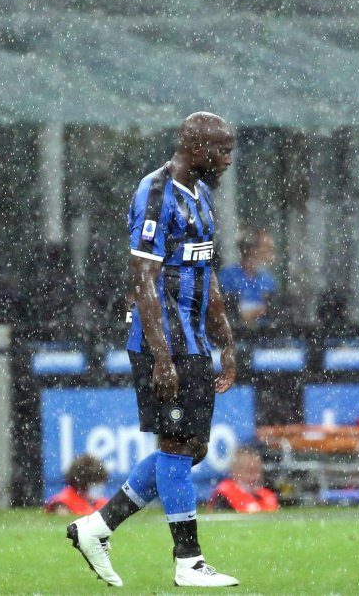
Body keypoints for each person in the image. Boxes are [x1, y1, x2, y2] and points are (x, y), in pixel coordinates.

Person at [67, 112, 240, 589]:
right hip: (161, 340)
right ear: (194, 146)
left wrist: (225, 342)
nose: (227, 160)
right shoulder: (155, 193)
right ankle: (189, 560)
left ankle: (96, 528)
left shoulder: (201, 196)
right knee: (177, 446)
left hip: (195, 340)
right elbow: (143, 278)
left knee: (191, 448)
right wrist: (162, 356)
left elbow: (208, 275)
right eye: (221, 150)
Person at [217, 228, 277, 327]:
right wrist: (259, 311)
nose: (271, 254)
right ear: (252, 251)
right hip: (238, 335)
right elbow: (229, 311)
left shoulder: (268, 279)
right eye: (267, 249)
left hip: (266, 335)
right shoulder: (227, 276)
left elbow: (274, 311)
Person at [207, 448, 278, 513]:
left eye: (257, 471)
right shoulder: (224, 495)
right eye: (249, 471)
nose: (254, 477)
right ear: (235, 471)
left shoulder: (267, 495)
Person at [46, 455, 110, 516]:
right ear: (83, 484)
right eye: (97, 483)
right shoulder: (62, 505)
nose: (102, 486)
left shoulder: (103, 503)